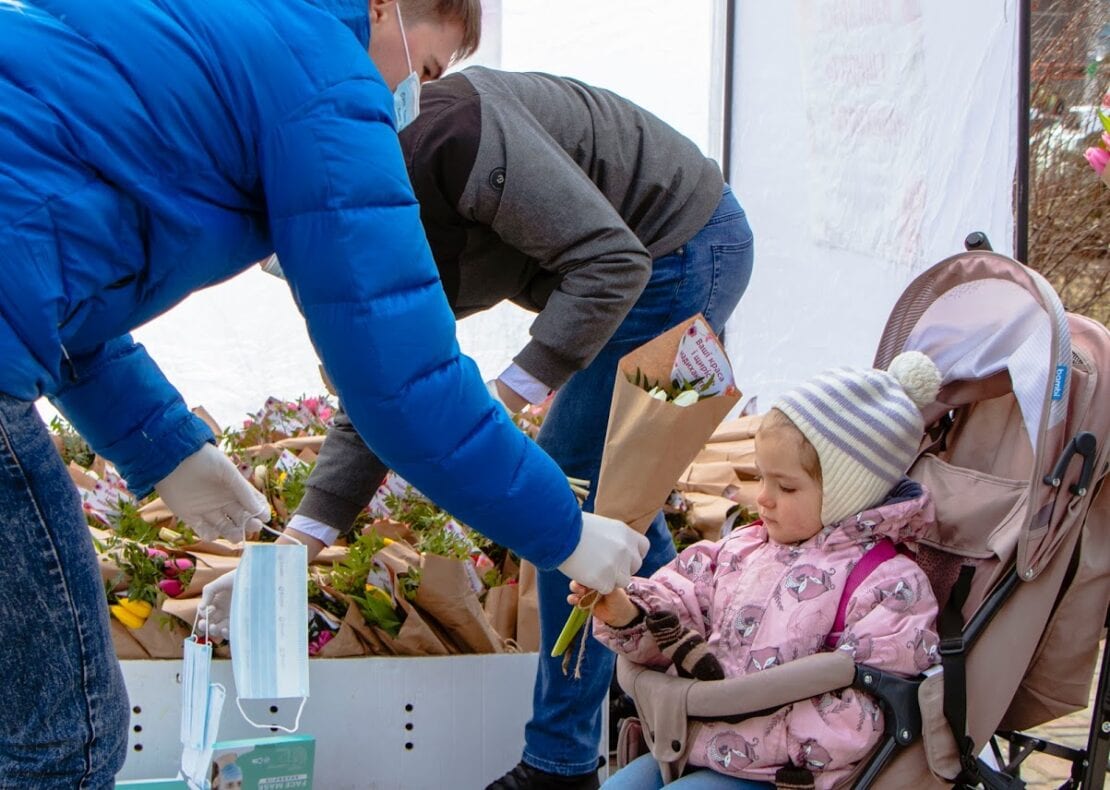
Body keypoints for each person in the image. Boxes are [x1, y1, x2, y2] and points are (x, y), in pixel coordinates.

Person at [0, 3, 648, 787]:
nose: (413, 91)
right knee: (63, 740)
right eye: (428, 65)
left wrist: (169, 447)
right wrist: (563, 531)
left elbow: (55, 279)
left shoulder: (213, 28)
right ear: (386, 7)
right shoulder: (326, 80)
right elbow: (401, 388)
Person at [202, 66, 755, 789]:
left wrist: (513, 390)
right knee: (614, 498)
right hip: (622, 265)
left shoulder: (450, 136)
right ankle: (696, 675)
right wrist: (293, 550)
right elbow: (379, 393)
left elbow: (612, 261)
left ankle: (562, 762)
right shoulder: (353, 245)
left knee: (574, 492)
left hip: (678, 249)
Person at [581, 352, 944, 789]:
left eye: (786, 486)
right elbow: (679, 601)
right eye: (761, 478)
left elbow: (867, 708)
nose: (764, 499)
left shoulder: (888, 583)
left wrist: (744, 738)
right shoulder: (741, 549)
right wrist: (628, 614)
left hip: (783, 772)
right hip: (692, 740)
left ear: (851, 493)